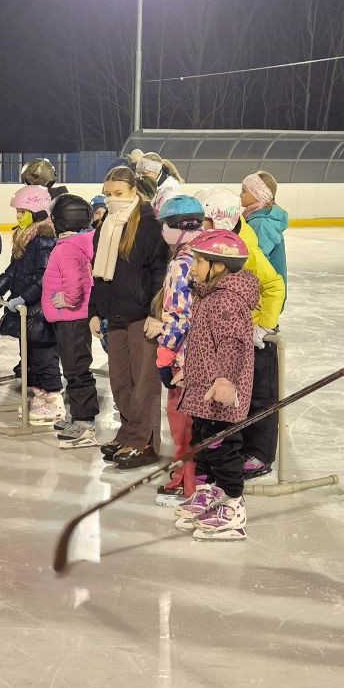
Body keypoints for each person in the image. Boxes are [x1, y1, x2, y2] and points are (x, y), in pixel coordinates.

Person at [169, 230, 260, 541]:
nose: (193, 267)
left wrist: (225, 380)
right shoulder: (210, 295)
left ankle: (233, 506)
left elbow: (232, 344)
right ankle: (211, 494)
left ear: (218, 266)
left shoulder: (226, 301)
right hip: (205, 387)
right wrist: (190, 372)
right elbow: (205, 345)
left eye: (199, 261)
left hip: (221, 391)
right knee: (205, 447)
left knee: (223, 449)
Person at [196, 186, 287, 480]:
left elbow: (274, 285)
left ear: (219, 219)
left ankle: (260, 454)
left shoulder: (244, 249)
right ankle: (239, 446)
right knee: (240, 393)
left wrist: (263, 325)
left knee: (261, 394)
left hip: (256, 334)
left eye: (205, 220)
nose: (201, 226)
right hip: (233, 330)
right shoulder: (222, 243)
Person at [90, 166, 169, 469]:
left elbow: (159, 273)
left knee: (143, 383)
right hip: (115, 314)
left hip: (141, 315)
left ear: (134, 191)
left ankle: (144, 441)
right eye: (108, 194)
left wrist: (155, 312)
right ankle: (128, 433)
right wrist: (95, 311)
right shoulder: (105, 226)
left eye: (119, 194)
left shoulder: (150, 226)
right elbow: (97, 273)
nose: (113, 200)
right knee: (121, 381)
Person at [149, 193, 207, 504]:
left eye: (164, 225)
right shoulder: (206, 255)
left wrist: (167, 351)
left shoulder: (181, 264)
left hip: (184, 357)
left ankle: (188, 484)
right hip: (204, 353)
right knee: (194, 420)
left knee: (182, 419)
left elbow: (179, 313)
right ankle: (189, 477)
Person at [0, 185, 61, 421]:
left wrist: (25, 296)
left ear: (36, 211)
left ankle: (54, 400)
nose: (18, 216)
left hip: (40, 310)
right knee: (30, 354)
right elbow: (14, 270)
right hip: (27, 311)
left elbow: (45, 275)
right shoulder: (25, 236)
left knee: (44, 355)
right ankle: (40, 395)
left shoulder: (44, 238)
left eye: (22, 212)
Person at [42, 193, 99, 449]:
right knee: (74, 368)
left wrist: (66, 300)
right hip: (72, 319)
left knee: (76, 370)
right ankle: (78, 416)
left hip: (71, 318)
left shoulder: (66, 248)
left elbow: (74, 284)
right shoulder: (79, 243)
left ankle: (85, 424)